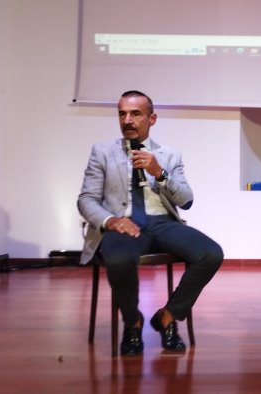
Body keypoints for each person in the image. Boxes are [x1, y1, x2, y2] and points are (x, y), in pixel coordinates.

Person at [78, 90, 223, 356]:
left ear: (152, 118)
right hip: (124, 223)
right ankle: (132, 323)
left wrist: (160, 173)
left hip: (163, 222)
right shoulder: (102, 152)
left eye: (135, 114)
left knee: (210, 254)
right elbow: (86, 199)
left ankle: (168, 317)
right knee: (119, 259)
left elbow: (187, 200)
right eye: (122, 114)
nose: (127, 120)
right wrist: (110, 220)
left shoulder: (169, 154)